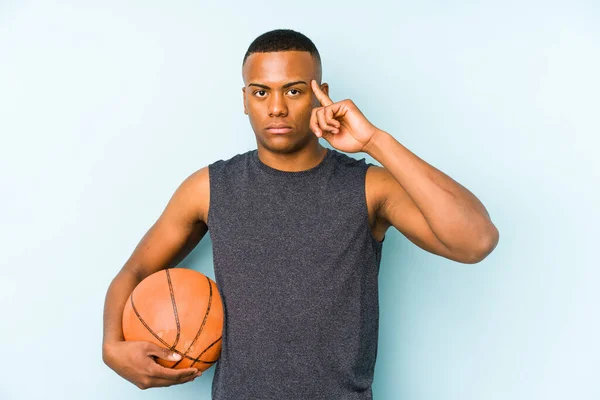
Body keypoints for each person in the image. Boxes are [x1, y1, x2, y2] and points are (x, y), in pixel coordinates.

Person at [102, 29, 499, 399]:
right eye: (261, 93)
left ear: (320, 94)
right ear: (244, 100)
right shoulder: (209, 188)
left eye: (293, 90)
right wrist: (111, 346)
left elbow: (476, 241)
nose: (276, 108)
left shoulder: (369, 187)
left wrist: (375, 141)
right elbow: (135, 271)